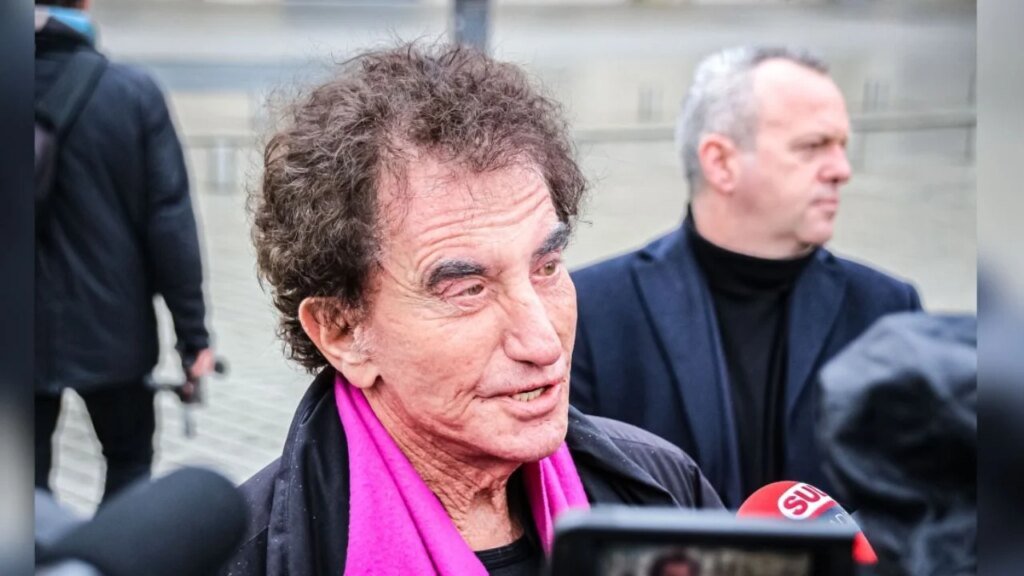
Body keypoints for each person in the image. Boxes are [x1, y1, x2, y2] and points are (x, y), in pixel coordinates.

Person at [221, 43, 722, 576]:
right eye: (469, 290)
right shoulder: (246, 559)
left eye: (547, 267)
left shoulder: (661, 493)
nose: (543, 343)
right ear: (342, 331)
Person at [569, 46, 922, 508]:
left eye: (842, 146)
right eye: (813, 146)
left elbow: (915, 507)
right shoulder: (591, 311)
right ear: (720, 162)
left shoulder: (887, 310)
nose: (842, 170)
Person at [34, 0, 214, 503]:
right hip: (114, 329)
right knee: (129, 462)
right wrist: (193, 338)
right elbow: (169, 226)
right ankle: (113, 546)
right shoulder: (131, 94)